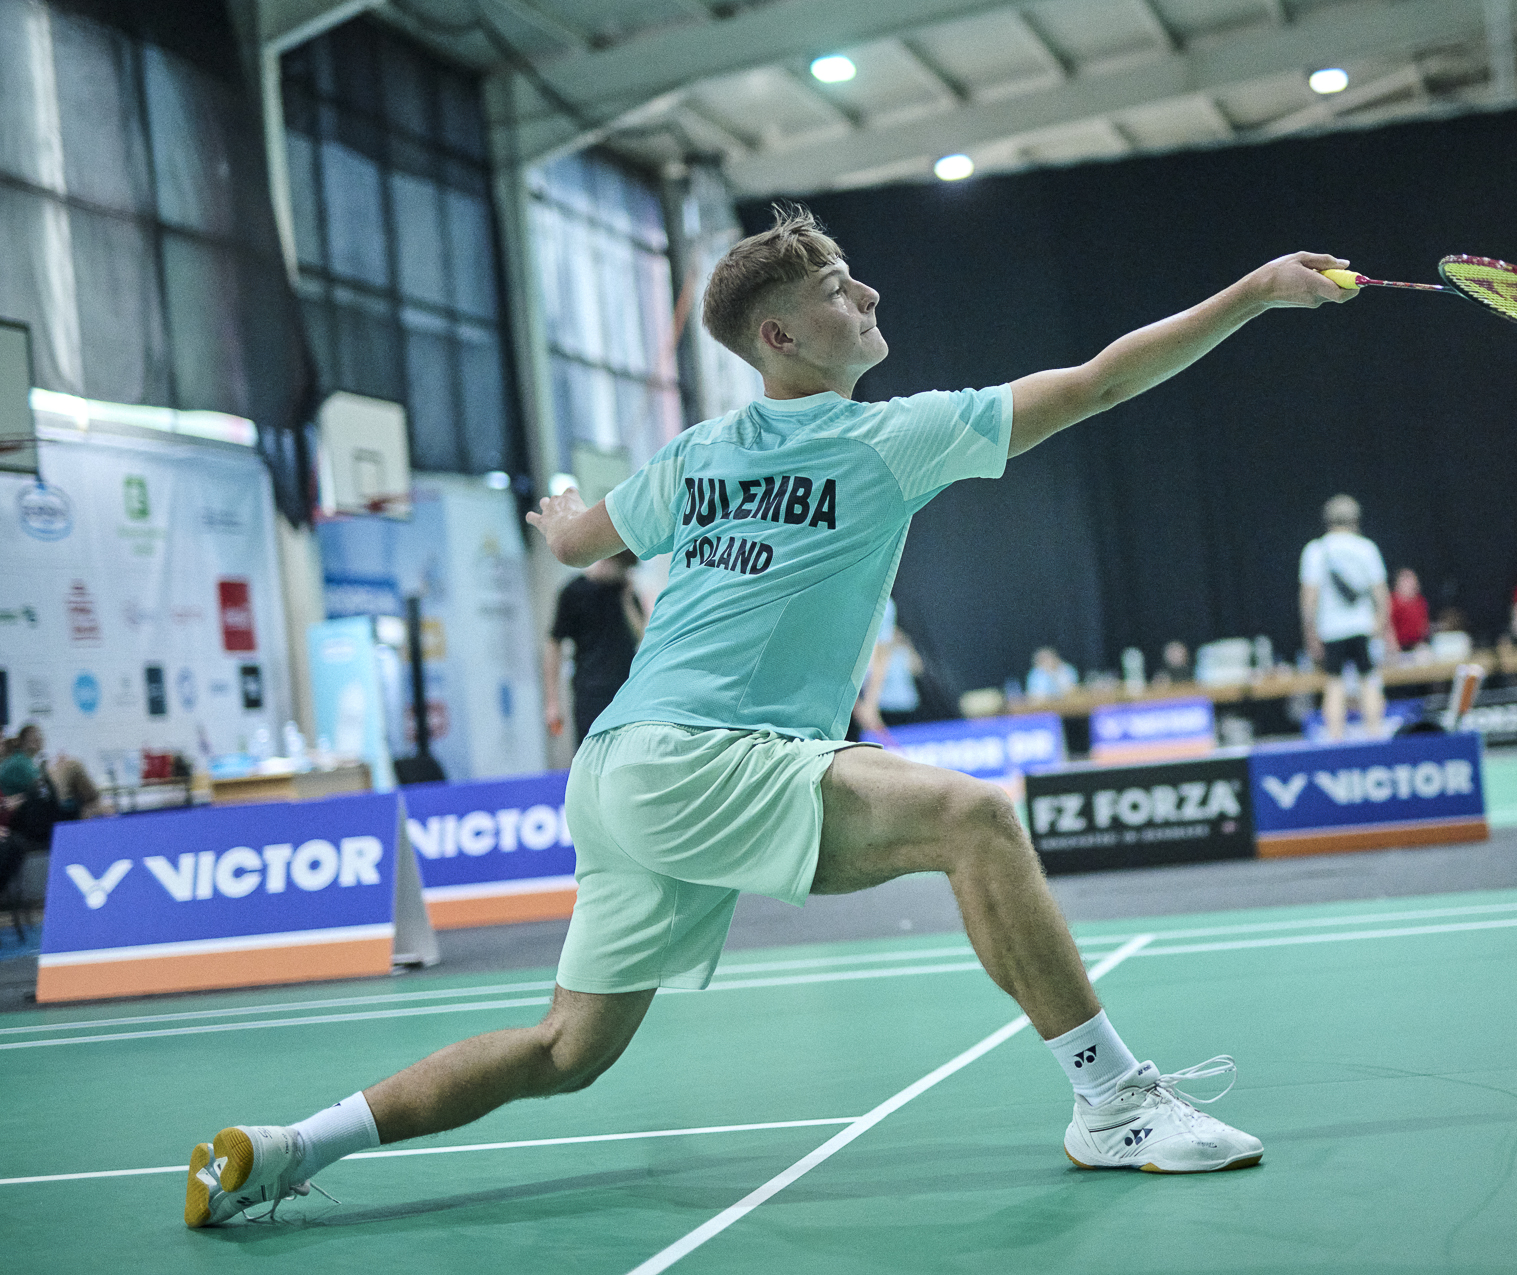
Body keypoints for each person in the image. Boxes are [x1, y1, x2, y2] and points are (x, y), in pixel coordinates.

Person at [182, 205, 1356, 1227]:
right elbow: (1098, 382)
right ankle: (1113, 1102)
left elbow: (583, 540)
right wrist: (1254, 293)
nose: (868, 293)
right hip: (702, 757)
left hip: (617, 770)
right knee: (975, 820)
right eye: (839, 289)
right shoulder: (888, 437)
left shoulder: (697, 455)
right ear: (780, 337)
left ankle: (286, 1149)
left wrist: (560, 513)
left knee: (565, 1050)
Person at [1299, 494, 1390, 740]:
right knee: (1368, 681)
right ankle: (1375, 734)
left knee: (1334, 684)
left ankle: (1335, 739)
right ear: (1355, 520)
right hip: (1362, 626)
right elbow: (1380, 592)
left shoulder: (1316, 550)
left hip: (1331, 629)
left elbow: (1309, 596)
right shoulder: (1366, 548)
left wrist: (1309, 632)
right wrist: (1381, 624)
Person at [544, 551, 647, 746]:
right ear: (608, 559)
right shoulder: (574, 591)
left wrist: (626, 600)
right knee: (592, 752)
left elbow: (642, 634)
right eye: (622, 568)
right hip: (590, 691)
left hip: (626, 689)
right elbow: (554, 644)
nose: (624, 573)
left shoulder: (624, 590)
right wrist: (552, 703)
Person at [853, 598, 925, 736]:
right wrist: (860, 708)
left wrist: (869, 706)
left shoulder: (885, 606)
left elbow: (882, 657)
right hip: (848, 706)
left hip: (901, 709)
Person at [1388, 568, 1430, 655]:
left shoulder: (1420, 601)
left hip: (1416, 645)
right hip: (1397, 646)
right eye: (1405, 580)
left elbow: (1423, 625)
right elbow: (1388, 625)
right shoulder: (1391, 602)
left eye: (1411, 579)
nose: (1409, 583)